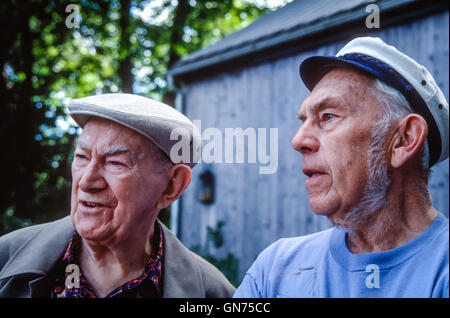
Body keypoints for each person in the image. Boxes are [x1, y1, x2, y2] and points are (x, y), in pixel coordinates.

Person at [234, 37, 449, 298]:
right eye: (304, 120)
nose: (298, 141)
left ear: (403, 140)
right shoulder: (275, 270)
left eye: (328, 116)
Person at [0, 93, 235, 298]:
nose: (87, 181)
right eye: (82, 157)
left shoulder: (215, 293)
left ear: (171, 186)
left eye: (115, 163)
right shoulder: (5, 259)